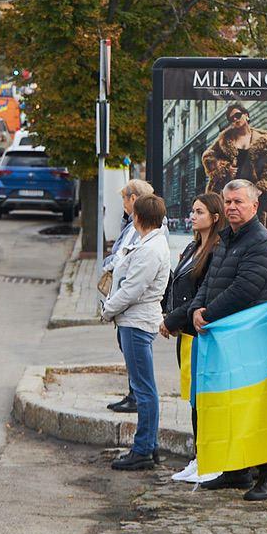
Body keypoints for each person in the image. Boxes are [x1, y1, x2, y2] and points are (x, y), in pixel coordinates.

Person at [188, 179, 267, 498]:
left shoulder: (261, 241)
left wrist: (209, 313)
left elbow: (245, 290)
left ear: (254, 207)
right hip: (228, 336)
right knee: (231, 405)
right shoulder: (226, 237)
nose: (231, 207)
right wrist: (198, 310)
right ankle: (236, 471)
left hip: (254, 336)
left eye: (238, 202)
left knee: (258, 408)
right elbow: (211, 280)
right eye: (228, 202)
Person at [101, 194, 173, 471]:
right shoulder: (148, 244)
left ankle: (143, 448)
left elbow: (132, 289)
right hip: (134, 319)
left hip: (136, 321)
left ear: (137, 217)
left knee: (144, 388)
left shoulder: (149, 249)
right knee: (144, 386)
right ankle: (148, 446)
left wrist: (108, 310)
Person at [160, 193, 227, 475]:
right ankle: (199, 455)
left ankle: (207, 457)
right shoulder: (192, 247)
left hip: (200, 332)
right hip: (185, 335)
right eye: (192, 211)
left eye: (199, 212)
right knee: (192, 397)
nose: (192, 216)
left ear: (214, 217)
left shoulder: (214, 251)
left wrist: (175, 318)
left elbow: (202, 295)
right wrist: (167, 314)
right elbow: (177, 283)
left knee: (203, 397)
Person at [104, 179, 155, 415]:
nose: (122, 203)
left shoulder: (144, 230)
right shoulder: (131, 224)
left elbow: (125, 261)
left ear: (133, 199)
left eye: (124, 198)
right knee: (131, 356)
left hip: (135, 313)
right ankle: (133, 394)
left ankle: (144, 440)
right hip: (128, 311)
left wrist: (108, 308)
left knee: (140, 369)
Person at [202, 104, 267, 231]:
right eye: (231, 119)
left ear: (246, 116)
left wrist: (259, 189)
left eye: (237, 115)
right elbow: (208, 157)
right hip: (228, 190)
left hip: (252, 191)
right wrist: (225, 168)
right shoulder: (224, 139)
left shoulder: (261, 140)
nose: (235, 120)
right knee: (223, 227)